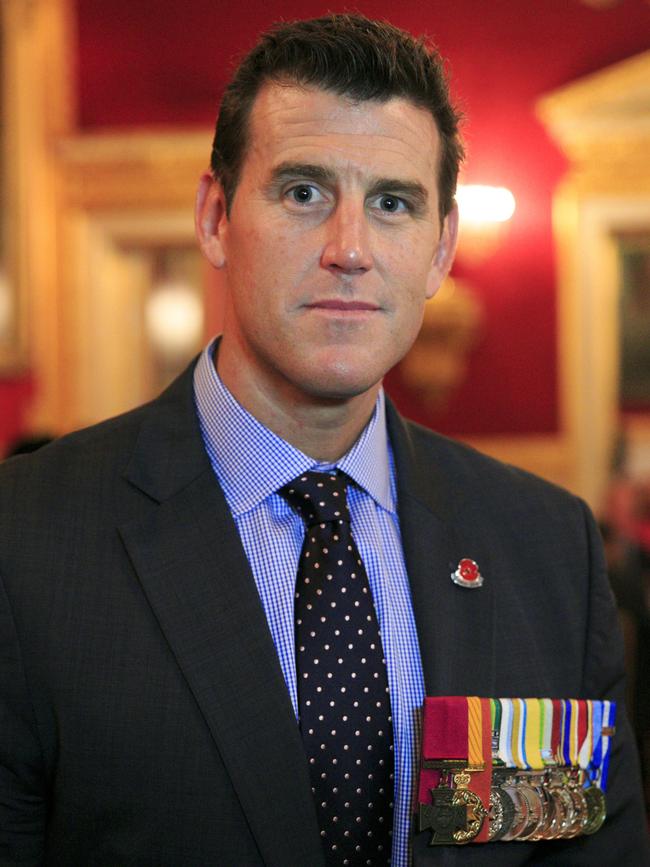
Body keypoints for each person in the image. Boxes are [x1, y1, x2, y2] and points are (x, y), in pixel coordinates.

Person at [0, 13, 647, 867]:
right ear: (215, 216)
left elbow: (572, 847)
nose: (350, 249)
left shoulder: (541, 546)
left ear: (440, 247)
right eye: (304, 192)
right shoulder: (26, 539)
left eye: (392, 203)